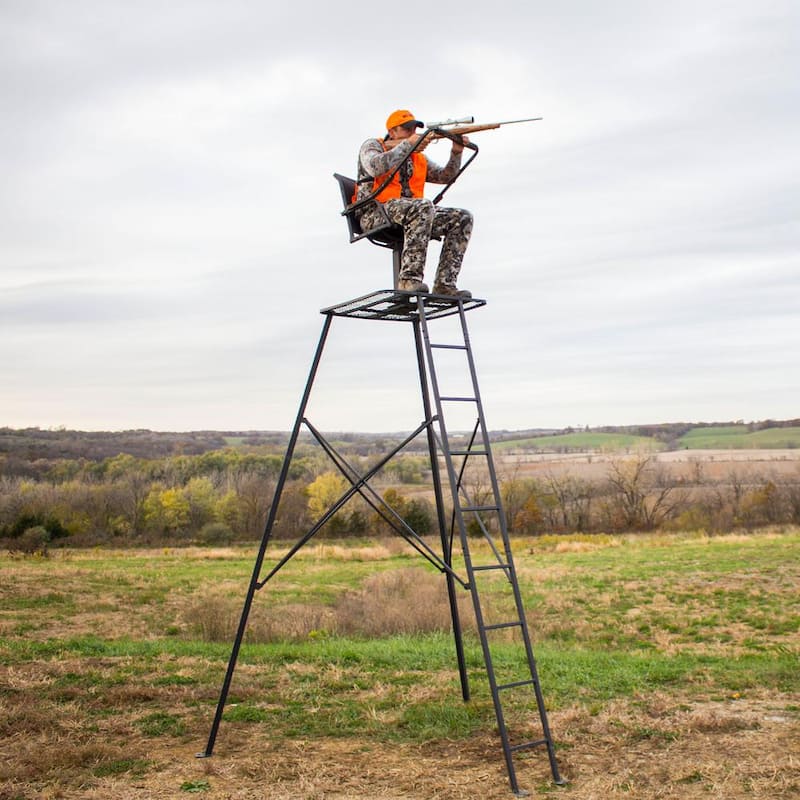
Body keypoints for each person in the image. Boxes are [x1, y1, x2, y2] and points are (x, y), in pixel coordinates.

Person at [354, 109, 473, 298]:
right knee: (423, 207)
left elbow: (445, 176)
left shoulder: (417, 157)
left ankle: (445, 285)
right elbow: (375, 167)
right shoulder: (373, 146)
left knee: (461, 217)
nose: (412, 133)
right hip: (375, 213)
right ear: (392, 132)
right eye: (406, 129)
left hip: (413, 212)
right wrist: (406, 146)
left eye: (414, 129)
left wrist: (456, 152)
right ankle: (408, 280)